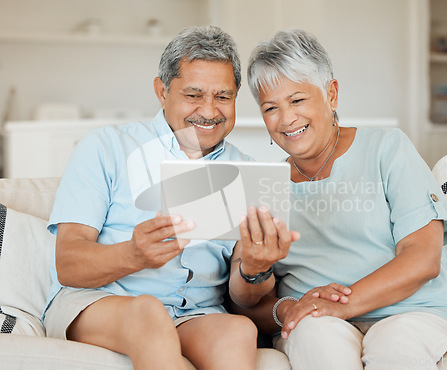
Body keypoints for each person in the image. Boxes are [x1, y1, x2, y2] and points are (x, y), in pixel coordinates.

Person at [43, 26, 298, 370]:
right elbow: (68, 263)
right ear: (162, 91)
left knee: (237, 329)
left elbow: (242, 299)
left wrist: (255, 268)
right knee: (147, 312)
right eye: (193, 95)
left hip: (195, 313)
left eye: (223, 97)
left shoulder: (247, 172)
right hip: (103, 304)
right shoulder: (106, 147)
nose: (209, 111)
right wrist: (132, 255)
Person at [235, 28, 447, 369]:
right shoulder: (267, 186)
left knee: (392, 346)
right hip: (319, 321)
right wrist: (287, 308)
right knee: (313, 337)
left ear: (331, 95)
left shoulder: (388, 149)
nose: (286, 118)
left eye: (297, 100)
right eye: (270, 107)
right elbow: (248, 302)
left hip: (416, 311)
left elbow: (423, 257)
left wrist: (344, 305)